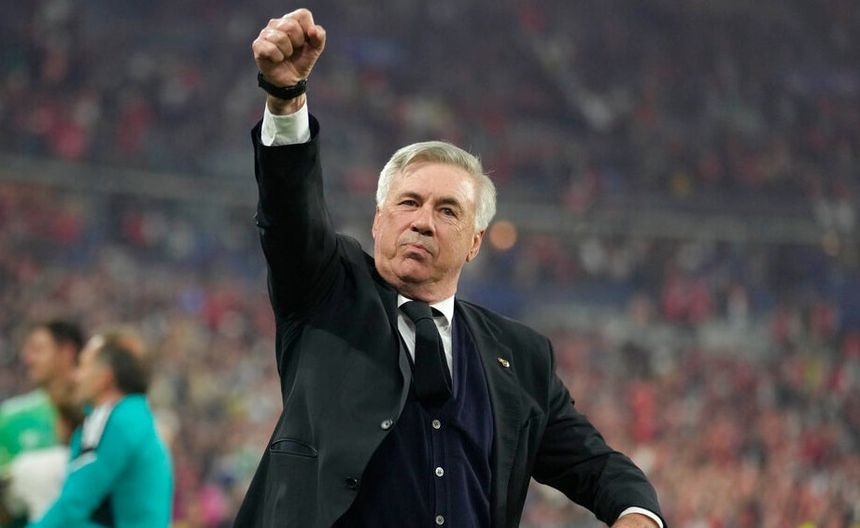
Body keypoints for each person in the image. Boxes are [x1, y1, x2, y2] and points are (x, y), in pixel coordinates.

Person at [237, 9, 665, 528]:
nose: (422, 222)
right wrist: (286, 99)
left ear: (474, 242)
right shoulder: (328, 290)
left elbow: (595, 464)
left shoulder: (520, 356)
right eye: (408, 203)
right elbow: (290, 210)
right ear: (378, 220)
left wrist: (639, 514)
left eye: (447, 211)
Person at [28, 330, 173, 528]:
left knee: (31, 472)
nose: (76, 376)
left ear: (104, 378)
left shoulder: (111, 421)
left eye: (83, 366)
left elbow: (74, 504)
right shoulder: (135, 416)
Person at [0, 320, 85, 528]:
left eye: (38, 349)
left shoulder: (100, 414)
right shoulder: (11, 418)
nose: (28, 359)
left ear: (67, 352)